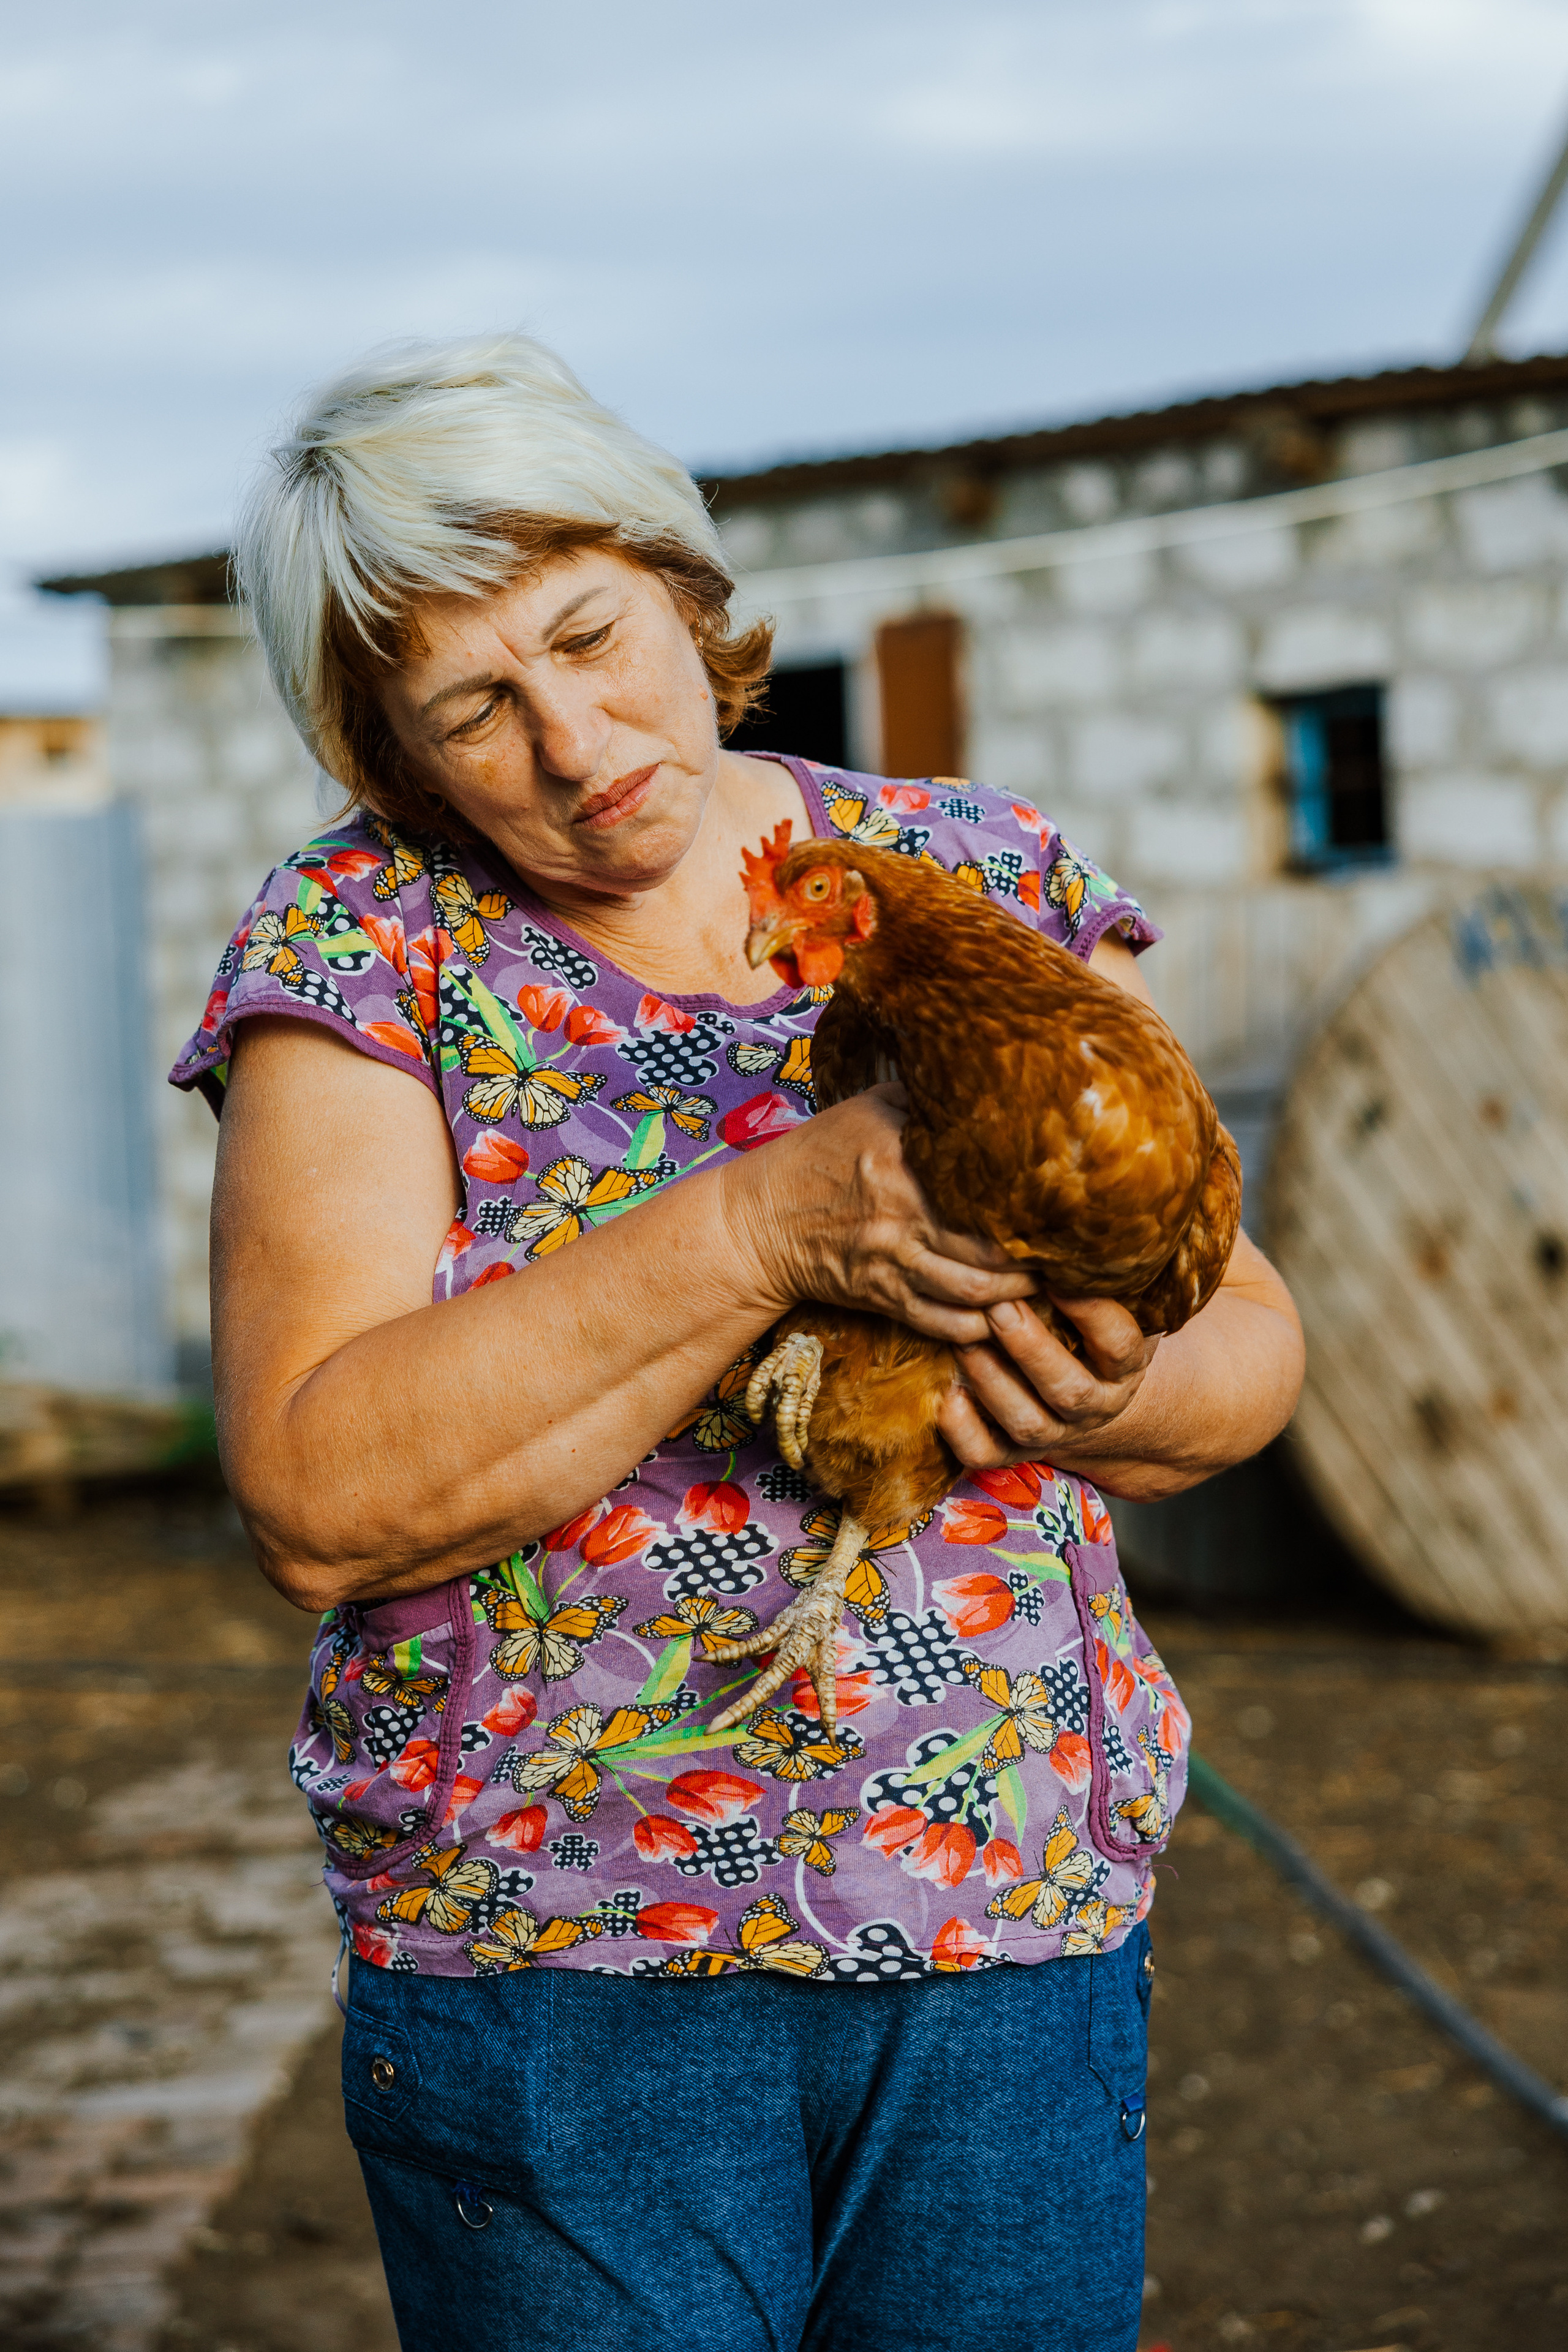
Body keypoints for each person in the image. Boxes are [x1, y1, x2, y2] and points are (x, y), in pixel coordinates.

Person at [172, 334, 1303, 2352]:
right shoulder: (361, 953)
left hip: (1006, 1915)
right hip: (556, 1965)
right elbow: (320, 1498)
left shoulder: (980, 872)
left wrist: (1116, 1384)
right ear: (399, 759)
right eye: (475, 708)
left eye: (594, 636)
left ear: (686, 592)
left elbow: (1250, 1346)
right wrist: (774, 1215)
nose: (576, 735)